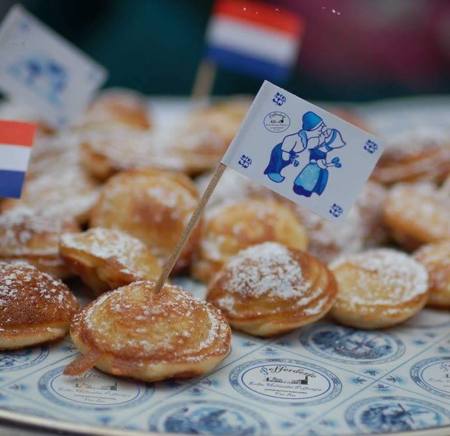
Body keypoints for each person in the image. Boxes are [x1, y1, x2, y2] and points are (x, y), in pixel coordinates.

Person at [264, 111, 327, 183]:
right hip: (281, 150)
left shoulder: (309, 139)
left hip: (292, 153)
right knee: (278, 163)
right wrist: (285, 152)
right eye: (321, 127)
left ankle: (279, 171)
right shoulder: (297, 137)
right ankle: (273, 172)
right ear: (311, 129)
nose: (323, 128)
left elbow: (313, 143)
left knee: (285, 164)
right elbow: (288, 139)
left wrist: (322, 139)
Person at [293, 124, 345, 197]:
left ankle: (304, 191)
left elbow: (322, 164)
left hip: (314, 170)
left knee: (308, 181)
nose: (323, 133)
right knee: (305, 179)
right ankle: (301, 189)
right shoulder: (318, 145)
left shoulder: (321, 152)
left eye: (326, 134)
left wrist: (332, 164)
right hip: (311, 167)